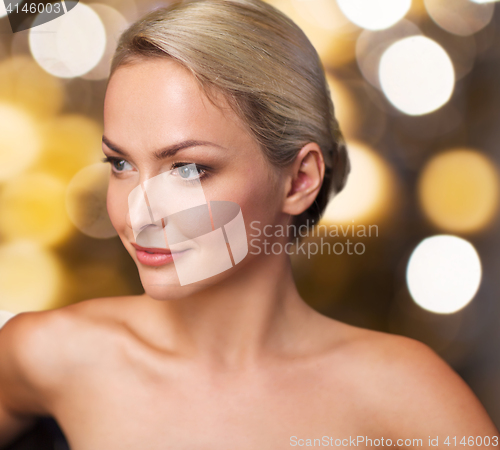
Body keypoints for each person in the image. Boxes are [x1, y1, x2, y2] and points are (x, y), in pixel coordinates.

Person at [0, 0, 498, 448]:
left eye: (189, 169)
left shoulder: (401, 394)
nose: (138, 213)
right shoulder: (49, 354)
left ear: (300, 179)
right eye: (121, 164)